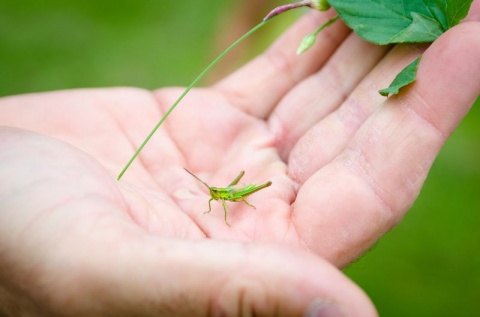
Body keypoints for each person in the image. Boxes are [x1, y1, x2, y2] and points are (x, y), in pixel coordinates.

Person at [0, 3, 479, 316]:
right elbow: (216, 198)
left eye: (213, 194)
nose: (213, 197)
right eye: (212, 195)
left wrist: (231, 196)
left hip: (248, 188)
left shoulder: (228, 195)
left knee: (245, 190)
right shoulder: (214, 197)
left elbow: (228, 197)